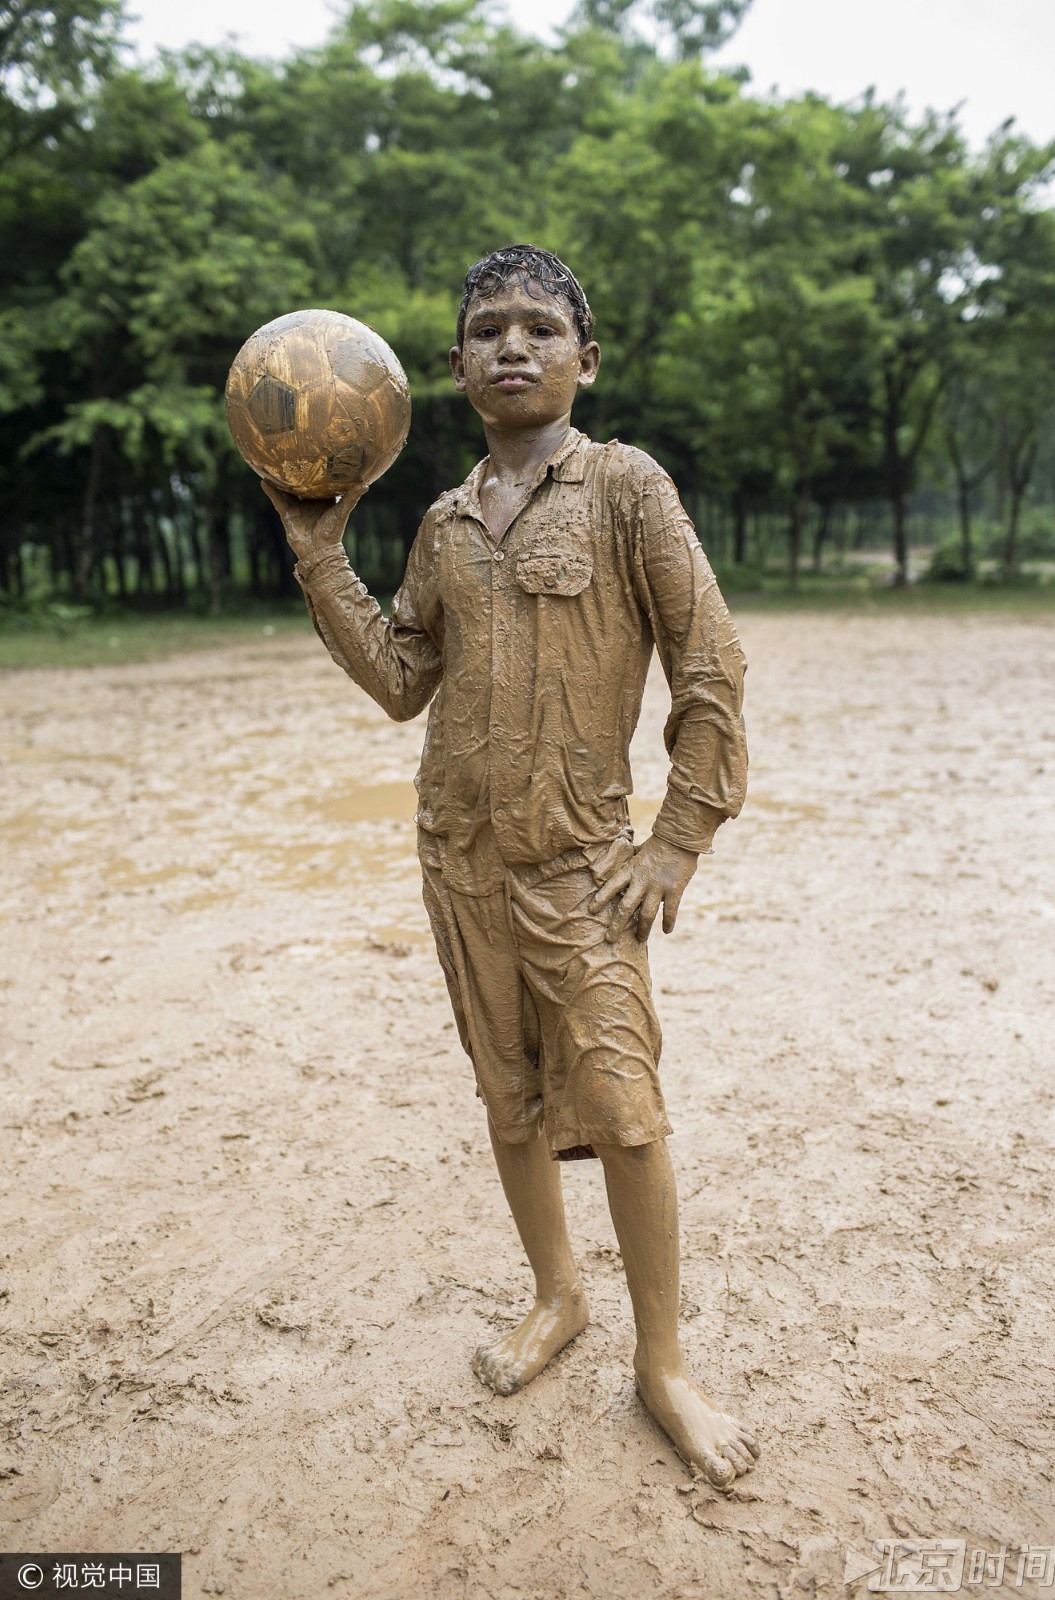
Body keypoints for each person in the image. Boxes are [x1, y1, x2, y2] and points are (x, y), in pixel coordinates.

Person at [263, 244, 759, 1488]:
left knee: (627, 1111)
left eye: (541, 327)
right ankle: (557, 1295)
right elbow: (399, 681)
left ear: (586, 361)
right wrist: (321, 554)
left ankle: (663, 1361)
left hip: (582, 868)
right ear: (451, 369)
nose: (513, 346)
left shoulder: (628, 489)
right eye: (488, 329)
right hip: (460, 861)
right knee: (510, 1096)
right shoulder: (438, 523)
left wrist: (675, 842)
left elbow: (710, 670)